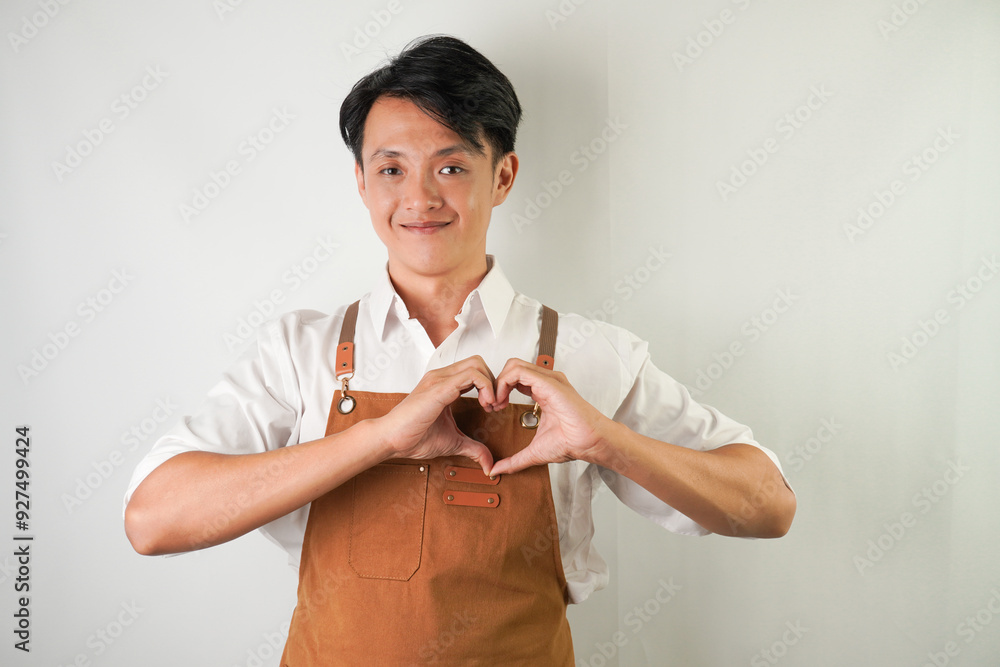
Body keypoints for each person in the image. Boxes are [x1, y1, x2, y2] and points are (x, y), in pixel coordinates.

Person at [124, 34, 795, 665]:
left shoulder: (591, 355)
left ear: (502, 177)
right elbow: (154, 518)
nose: (419, 197)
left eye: (451, 165)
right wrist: (381, 437)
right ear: (361, 183)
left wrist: (605, 440)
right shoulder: (302, 351)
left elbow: (769, 503)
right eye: (392, 168)